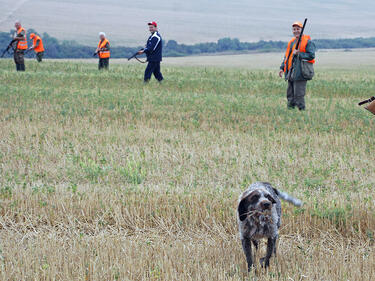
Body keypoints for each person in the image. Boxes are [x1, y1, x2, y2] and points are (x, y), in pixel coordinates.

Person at [279, 21, 316, 110]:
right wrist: (282, 68)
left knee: (298, 95)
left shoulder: (308, 42)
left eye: (298, 29)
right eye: (294, 29)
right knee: (290, 94)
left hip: (301, 72)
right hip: (291, 71)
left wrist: (299, 53)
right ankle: (291, 112)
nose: (296, 31)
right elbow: (287, 57)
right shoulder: (292, 42)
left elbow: (311, 55)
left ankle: (301, 114)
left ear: (302, 30)